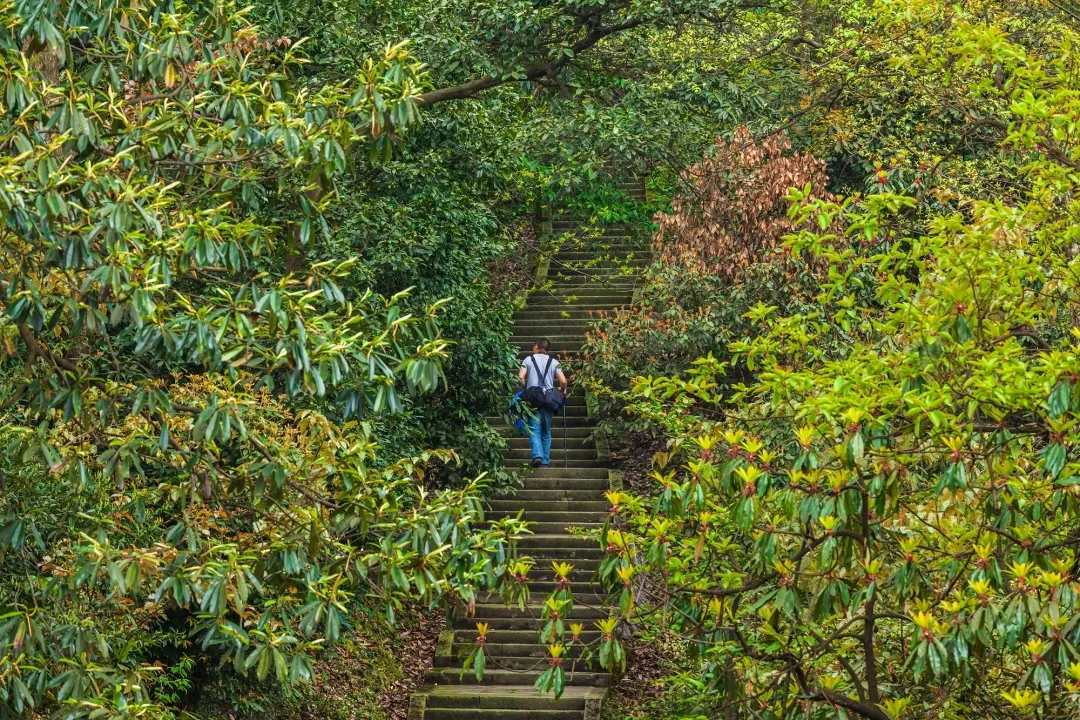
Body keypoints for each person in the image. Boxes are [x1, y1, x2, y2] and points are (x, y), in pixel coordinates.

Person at [519, 338, 568, 467]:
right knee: (546, 431)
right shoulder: (555, 362)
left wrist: (526, 386)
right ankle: (545, 461)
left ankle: (537, 456)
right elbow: (563, 381)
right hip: (549, 400)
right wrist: (562, 391)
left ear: (535, 347)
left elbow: (520, 377)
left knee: (534, 429)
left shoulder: (528, 360)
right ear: (547, 349)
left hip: (534, 399)